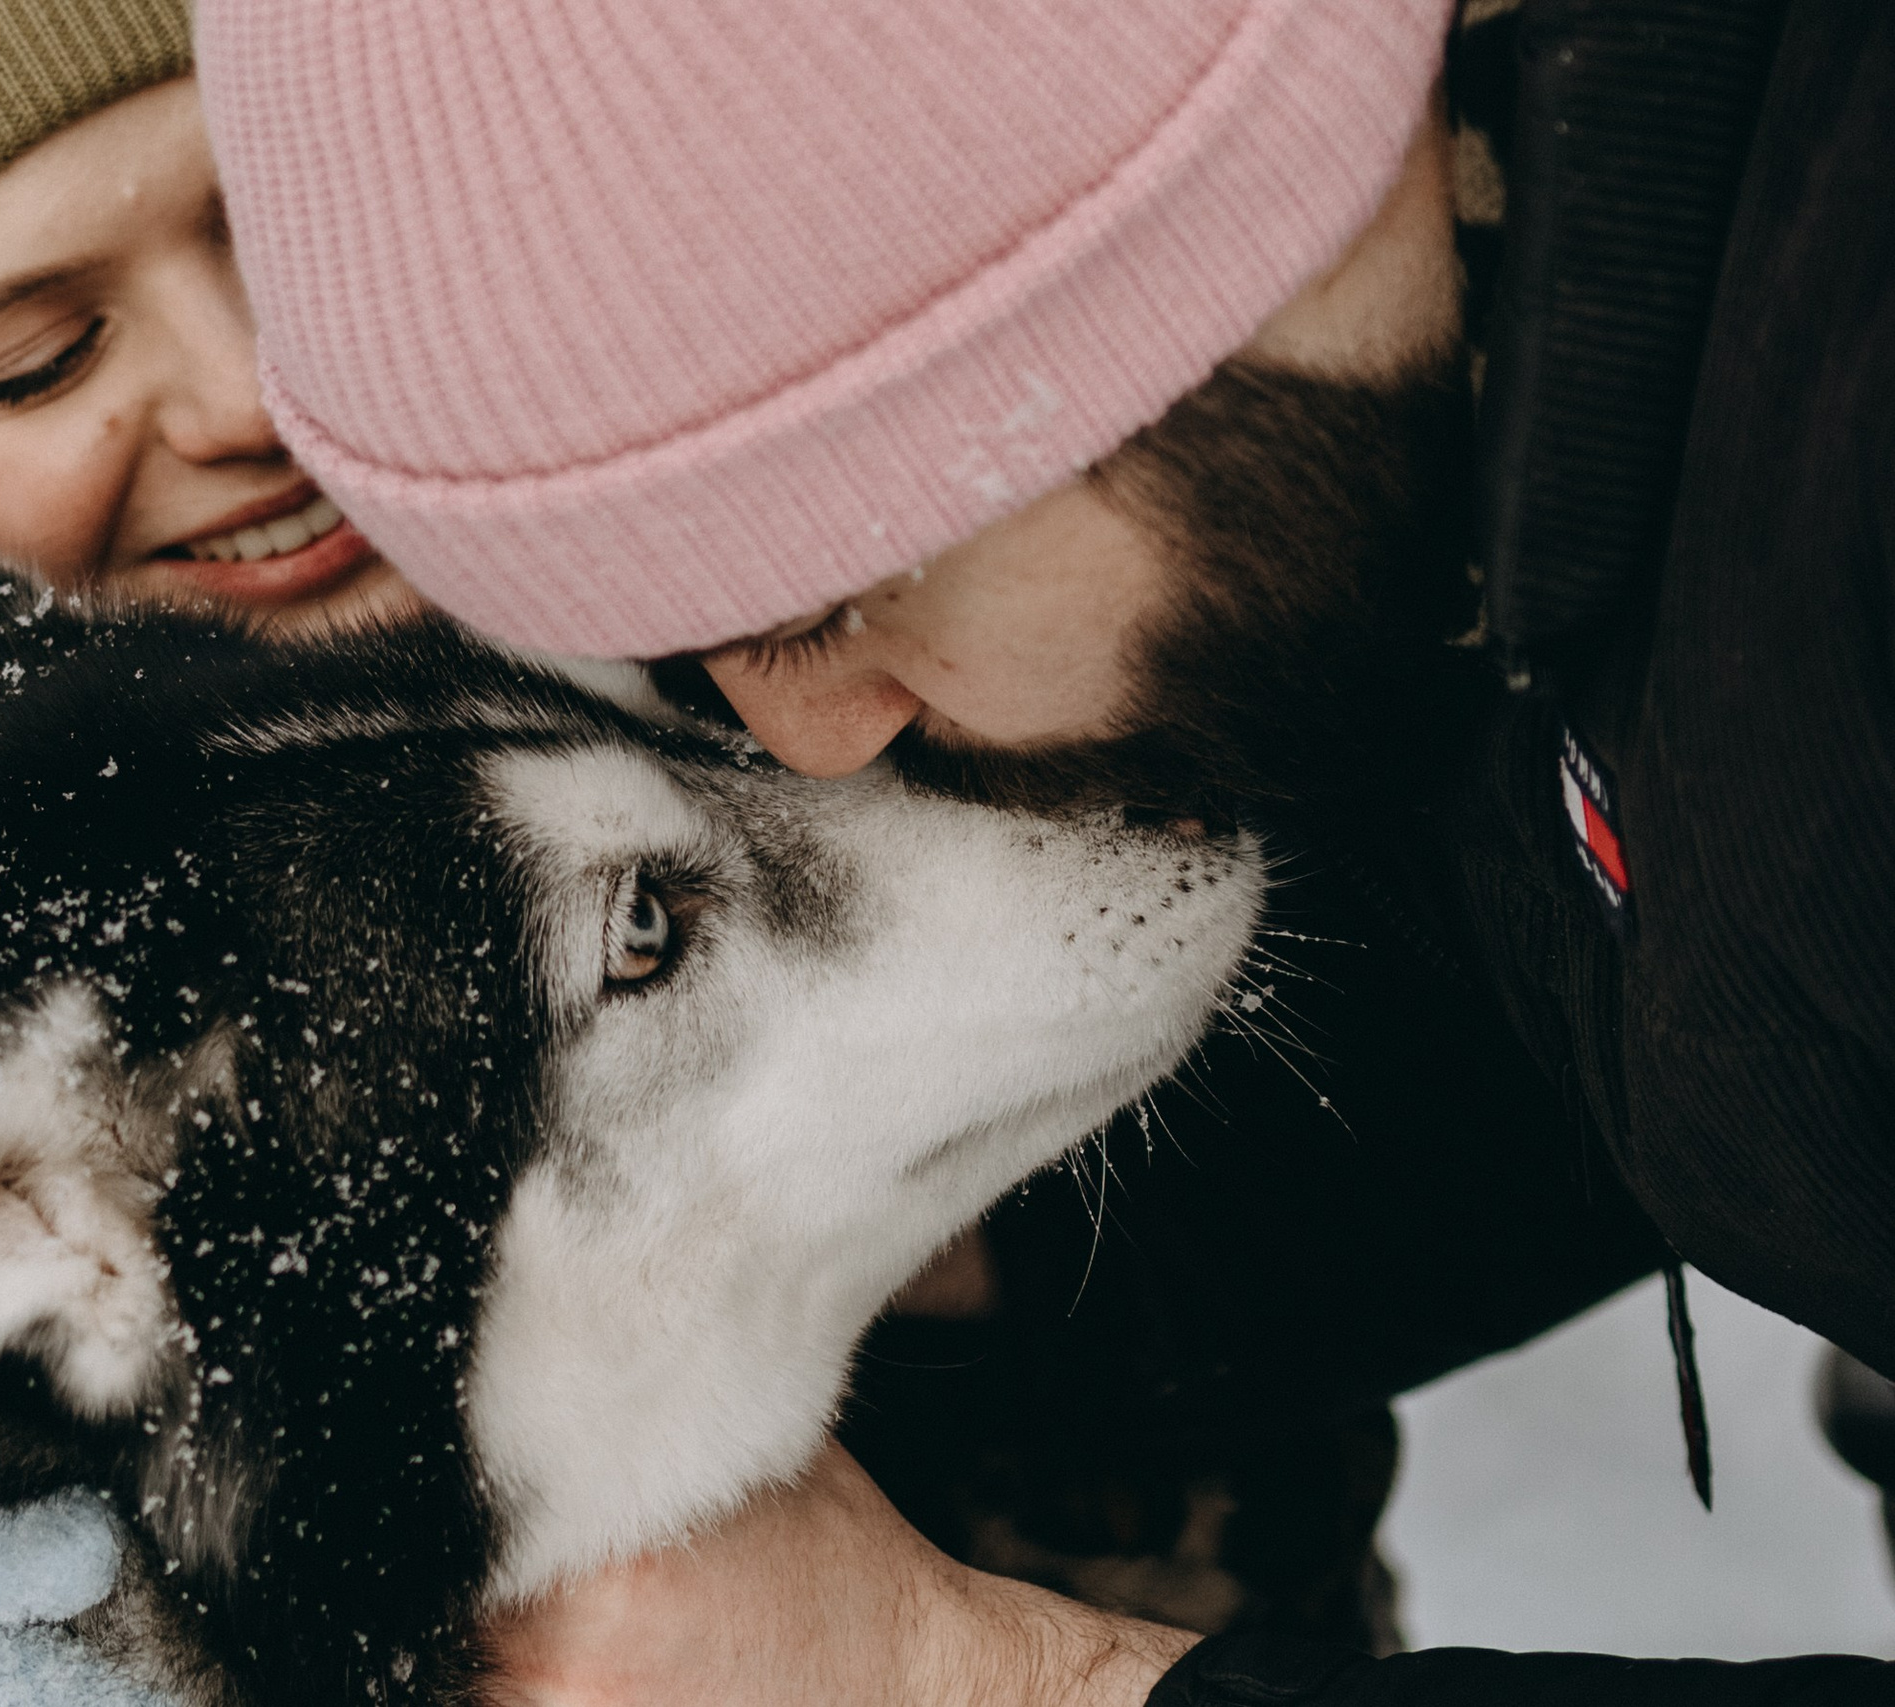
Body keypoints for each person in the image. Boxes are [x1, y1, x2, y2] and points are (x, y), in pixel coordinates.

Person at [0, 0, 1442, 1699]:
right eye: (39, 353)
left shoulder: (876, 612)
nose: (244, 396)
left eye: (283, 232)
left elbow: (1382, 1178)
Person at [182, 0, 1895, 1703]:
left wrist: (993, 1680)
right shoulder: (1530, 485)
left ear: (1164, 252)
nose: (820, 739)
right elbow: (1564, 1063)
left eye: (822, 601)